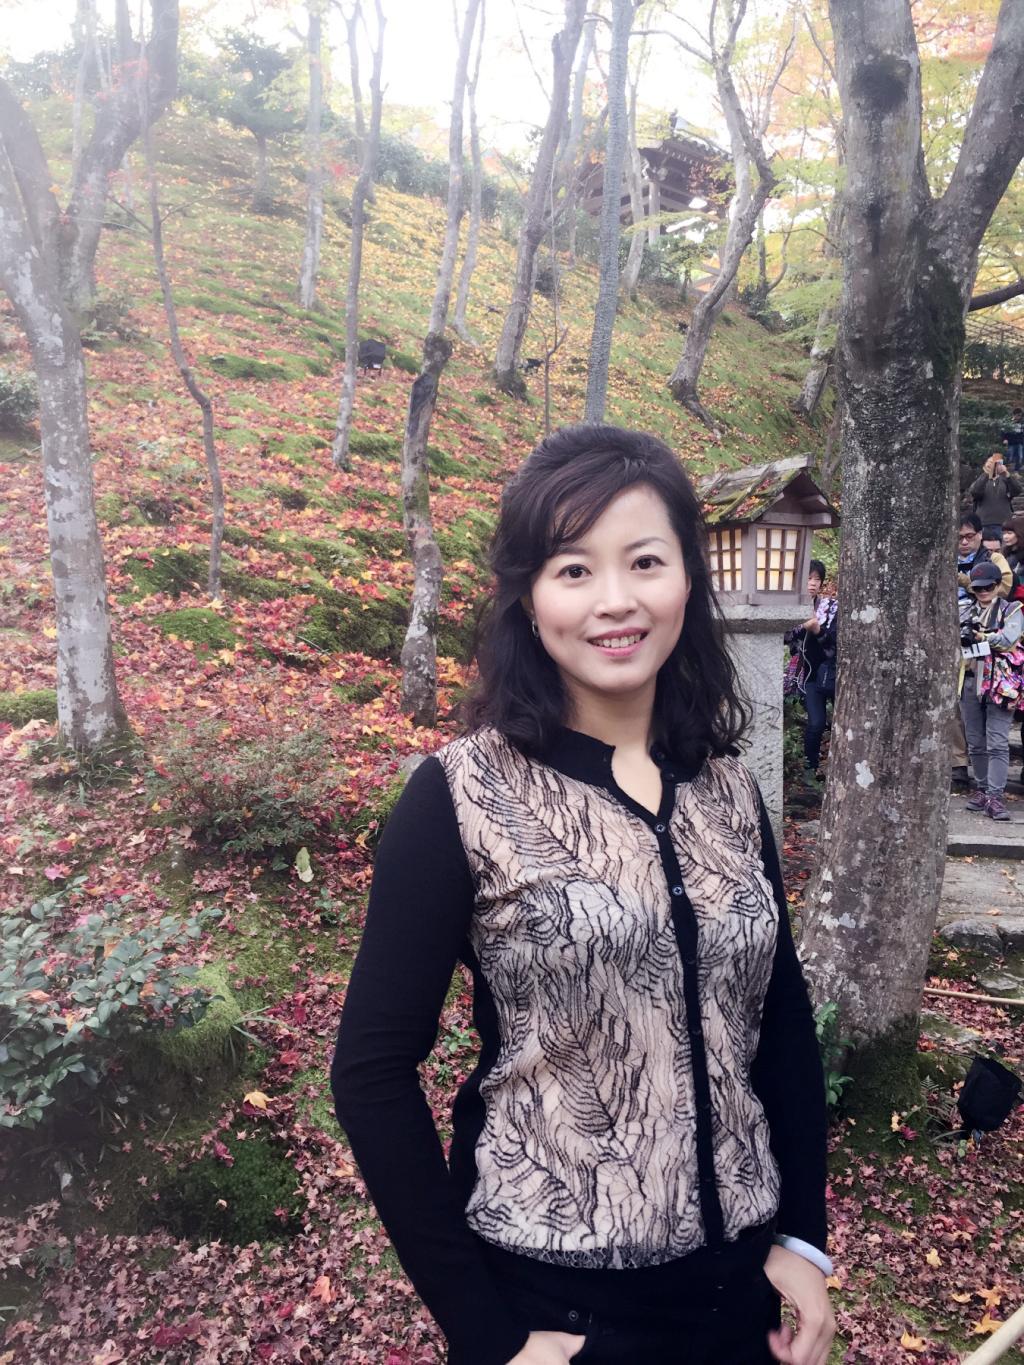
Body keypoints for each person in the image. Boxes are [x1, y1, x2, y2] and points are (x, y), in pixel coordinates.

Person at [331, 426, 834, 1365]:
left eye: (645, 561)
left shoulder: (728, 788)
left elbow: (782, 1018)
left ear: (687, 577)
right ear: (528, 597)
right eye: (573, 569)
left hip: (739, 1299)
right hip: (557, 1308)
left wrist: (804, 1235)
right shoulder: (461, 795)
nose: (615, 600)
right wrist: (488, 1334)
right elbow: (370, 1072)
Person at [959, 560, 1024, 822]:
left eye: (988, 586)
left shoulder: (1012, 609)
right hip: (970, 679)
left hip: (1000, 683)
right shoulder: (965, 610)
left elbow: (1009, 640)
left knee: (997, 741)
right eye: (978, 588)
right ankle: (982, 789)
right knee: (975, 742)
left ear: (998, 585)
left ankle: (995, 796)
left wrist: (983, 636)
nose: (983, 592)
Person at [784, 561, 838, 777]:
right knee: (816, 724)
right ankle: (810, 771)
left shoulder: (831, 608)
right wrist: (801, 626)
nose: (813, 583)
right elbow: (785, 638)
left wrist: (817, 630)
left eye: (817, 579)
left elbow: (833, 647)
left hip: (833, 675)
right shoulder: (790, 608)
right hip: (809, 677)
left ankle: (836, 769)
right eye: (808, 579)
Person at [957, 513, 1012, 602]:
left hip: (983, 608)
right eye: (959, 537)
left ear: (980, 534)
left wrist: (968, 583)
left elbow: (1004, 589)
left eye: (969, 536)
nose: (964, 542)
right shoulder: (943, 562)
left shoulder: (994, 558)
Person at [970, 453, 1021, 542]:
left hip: (1004, 524)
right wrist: (987, 473)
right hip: (984, 524)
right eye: (991, 462)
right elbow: (975, 492)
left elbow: (1017, 490)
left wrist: (1007, 474)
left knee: (1004, 548)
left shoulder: (1005, 480)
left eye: (996, 463)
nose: (993, 465)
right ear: (984, 465)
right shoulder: (980, 480)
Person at [1001, 407, 1024, 474]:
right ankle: (1006, 470)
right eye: (1017, 415)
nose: (1018, 417)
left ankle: (1016, 471)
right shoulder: (1008, 423)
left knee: (1020, 456)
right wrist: (1004, 439)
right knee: (1009, 456)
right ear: (1014, 415)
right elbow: (1003, 432)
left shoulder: (1022, 423)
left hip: (1019, 443)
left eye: (1020, 415)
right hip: (1010, 443)